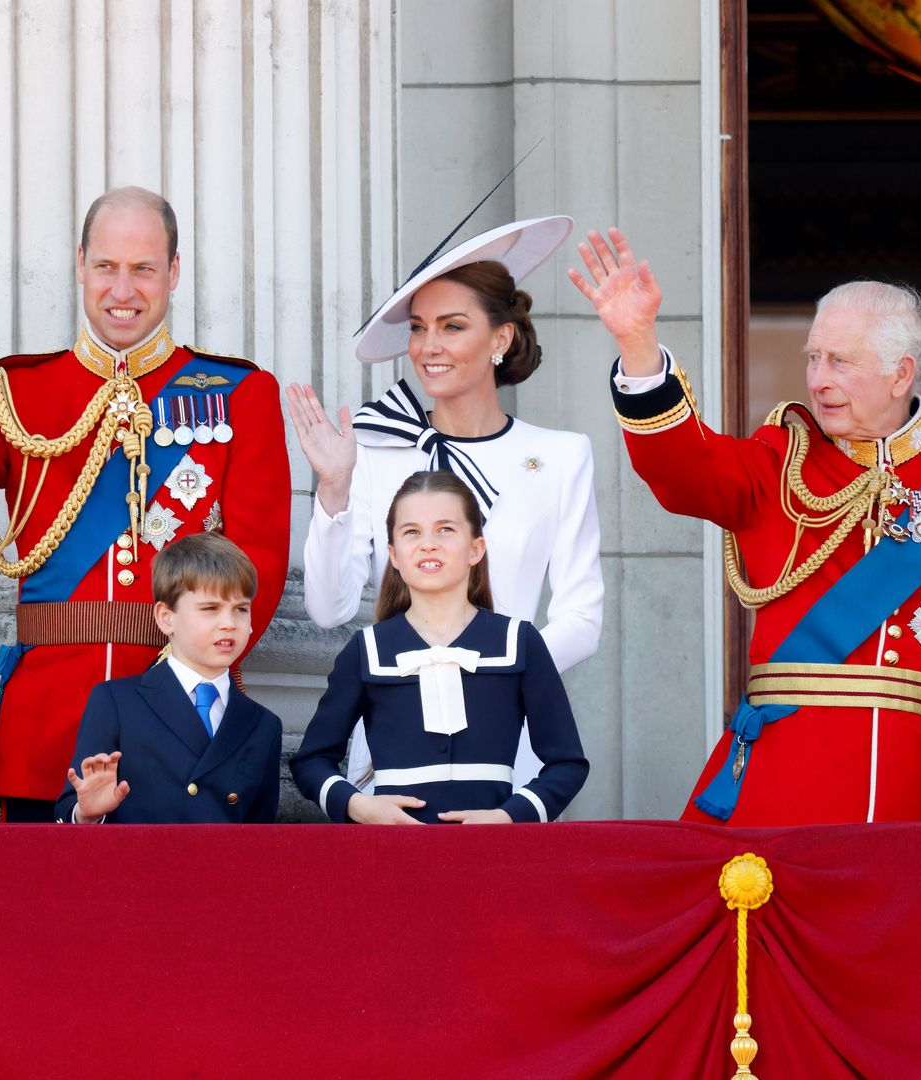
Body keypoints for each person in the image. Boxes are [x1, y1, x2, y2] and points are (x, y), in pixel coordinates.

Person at [569, 227, 921, 825]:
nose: (818, 378)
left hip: (920, 800)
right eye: (812, 357)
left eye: (840, 361)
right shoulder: (781, 462)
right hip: (784, 791)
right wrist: (639, 346)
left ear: (900, 373)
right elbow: (684, 468)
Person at [0, 187, 290, 821]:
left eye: (143, 269)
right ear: (80, 264)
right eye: (106, 267)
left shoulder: (240, 394)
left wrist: (185, 690)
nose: (122, 289)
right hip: (45, 728)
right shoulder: (15, 389)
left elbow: (256, 562)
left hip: (178, 728)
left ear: (173, 272)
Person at [286, 216, 603, 792]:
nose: (428, 347)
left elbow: (582, 621)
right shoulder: (375, 449)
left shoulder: (560, 456)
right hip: (390, 736)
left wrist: (488, 677)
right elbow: (329, 609)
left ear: (500, 339)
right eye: (418, 327)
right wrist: (332, 487)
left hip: (512, 739)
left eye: (452, 326)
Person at [291, 471, 588, 823]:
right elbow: (311, 760)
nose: (428, 543)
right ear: (394, 555)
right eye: (411, 532)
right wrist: (359, 805)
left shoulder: (519, 642)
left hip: (494, 858)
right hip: (392, 857)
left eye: (445, 529)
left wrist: (510, 817)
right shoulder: (367, 649)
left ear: (475, 549)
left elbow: (567, 763)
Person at [54, 533, 282, 824]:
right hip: (134, 867)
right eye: (210, 609)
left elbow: (261, 838)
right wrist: (86, 814)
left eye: (241, 609)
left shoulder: (263, 724)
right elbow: (67, 813)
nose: (229, 624)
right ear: (166, 617)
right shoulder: (117, 703)